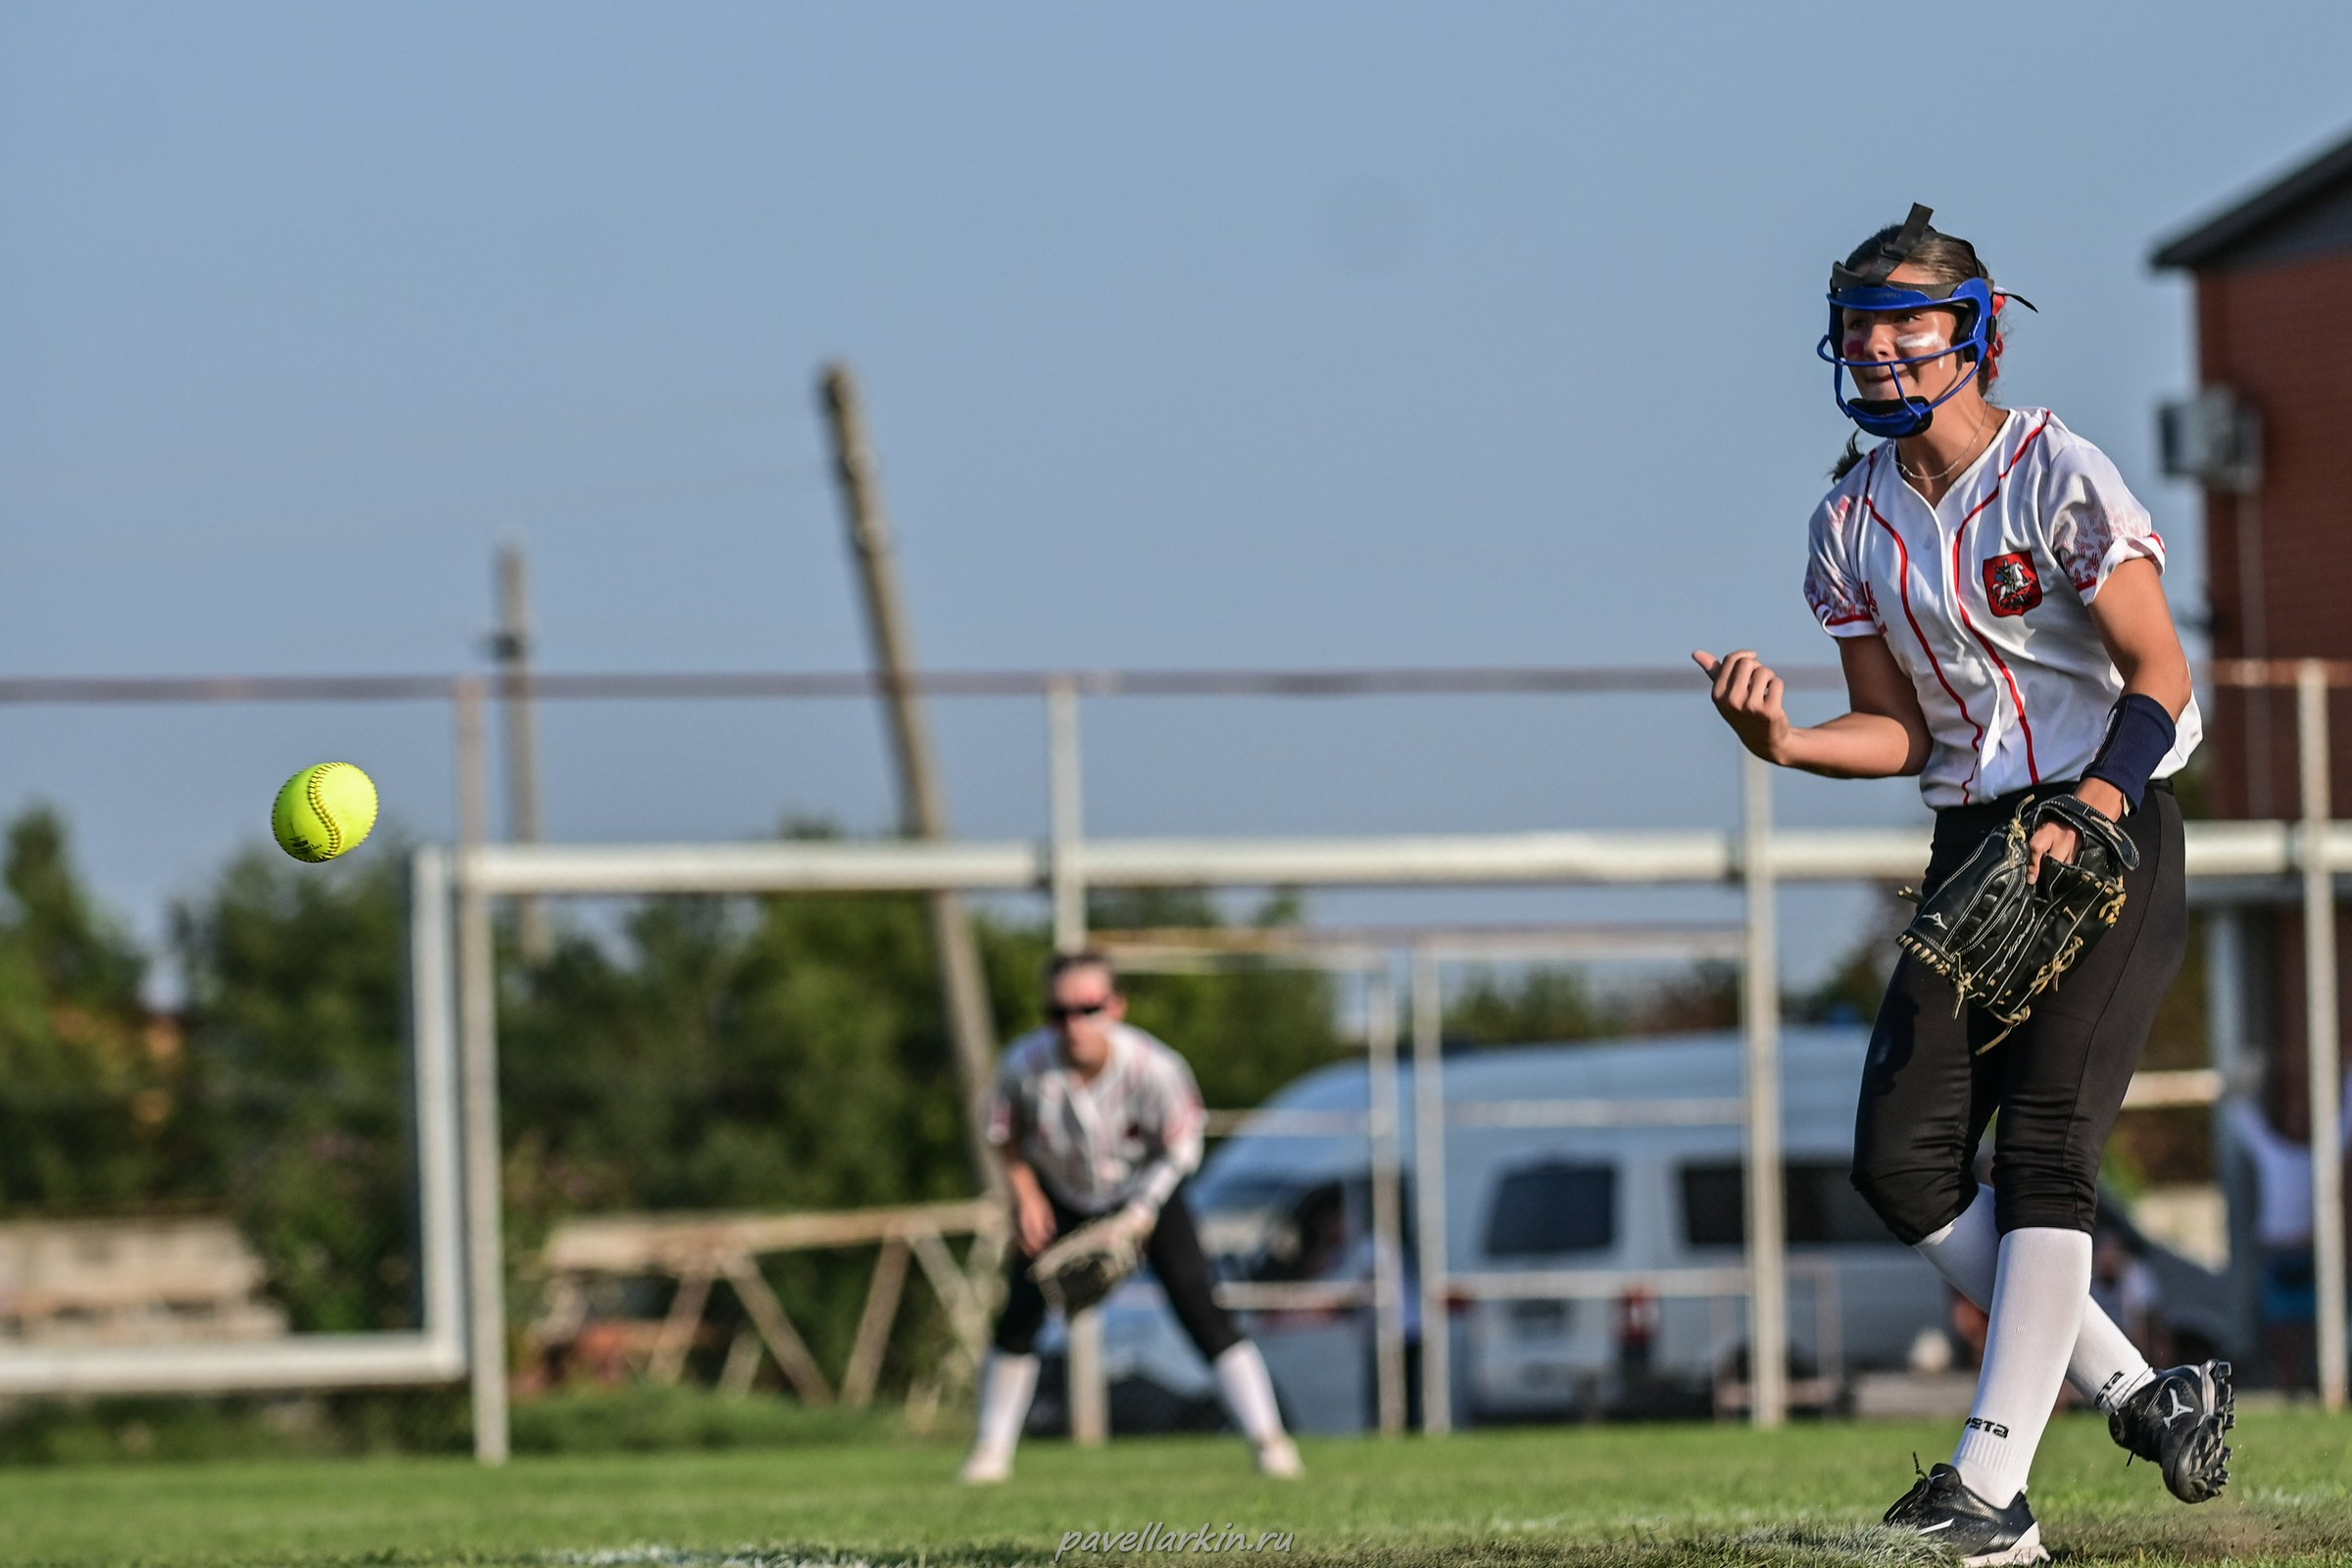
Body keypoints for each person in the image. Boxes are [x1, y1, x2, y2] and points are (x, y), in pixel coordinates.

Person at [1694, 206, 2230, 1564]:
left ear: (1976, 331)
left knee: (2047, 1150)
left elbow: (2162, 673)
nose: (1879, 348)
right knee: (1901, 1159)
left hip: (2107, 819)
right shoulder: (1849, 520)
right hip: (1974, 840)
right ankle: (2146, 1395)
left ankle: (1990, 1492)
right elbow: (1898, 732)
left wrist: (2097, 806)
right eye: (1860, 326)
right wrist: (1787, 742)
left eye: (1906, 322)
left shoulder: (2057, 471)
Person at [959, 950, 1302, 1483]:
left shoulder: (1154, 1068)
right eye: (1059, 1012)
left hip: (1146, 1191)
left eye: (1088, 1009)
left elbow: (1182, 1147)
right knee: (1020, 1315)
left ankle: (1270, 1442)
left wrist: (1142, 1212)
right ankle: (991, 1452)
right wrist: (1025, 1195)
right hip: (1063, 1194)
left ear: (1116, 1007)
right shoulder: (1026, 1064)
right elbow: (1002, 1132)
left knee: (1199, 1305)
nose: (1074, 1024)